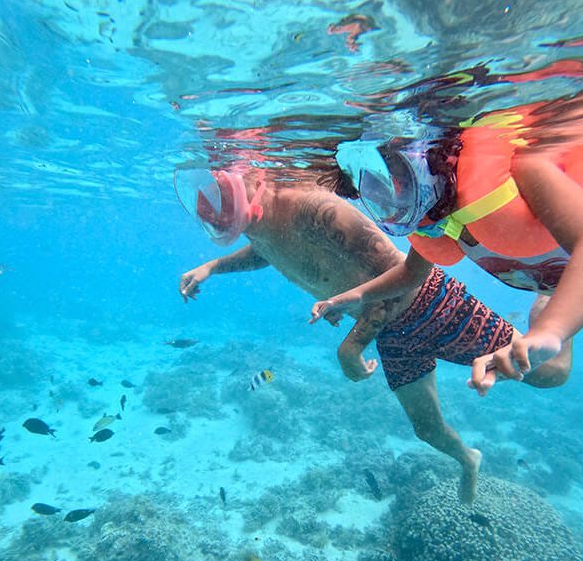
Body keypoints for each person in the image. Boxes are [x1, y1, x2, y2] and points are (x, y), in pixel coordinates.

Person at [178, 166, 553, 503]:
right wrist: (212, 267)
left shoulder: (314, 208)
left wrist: (352, 345)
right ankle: (469, 459)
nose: (249, 232)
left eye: (244, 223)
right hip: (393, 336)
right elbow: (268, 249)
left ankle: (550, 311)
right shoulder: (261, 222)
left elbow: (404, 278)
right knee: (426, 430)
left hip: (431, 304)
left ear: (254, 192)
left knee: (547, 374)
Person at [310, 97, 582, 394]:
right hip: (560, 279)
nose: (387, 197)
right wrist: (352, 297)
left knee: (552, 371)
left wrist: (550, 331)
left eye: (391, 175)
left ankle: (550, 308)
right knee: (549, 371)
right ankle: (549, 299)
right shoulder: (435, 217)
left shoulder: (525, 167)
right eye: (370, 188)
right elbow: (411, 275)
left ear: (423, 156)